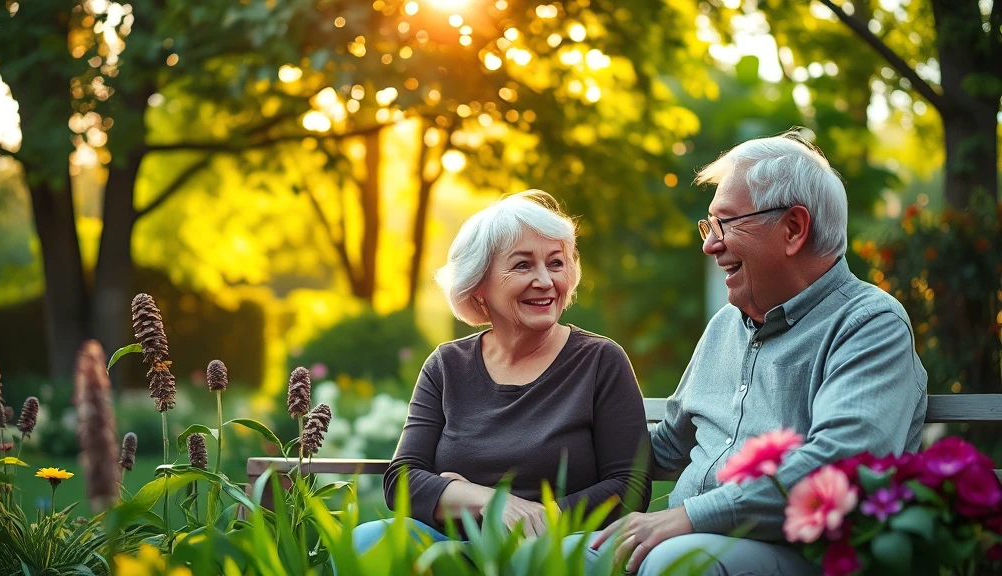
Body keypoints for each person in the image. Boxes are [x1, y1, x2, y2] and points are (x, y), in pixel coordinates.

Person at [591, 132, 928, 575]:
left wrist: (688, 518)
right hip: (687, 543)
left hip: (802, 553)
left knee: (673, 565)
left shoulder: (869, 323)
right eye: (709, 226)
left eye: (725, 224)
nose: (710, 244)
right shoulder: (724, 327)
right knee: (534, 556)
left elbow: (842, 462)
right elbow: (666, 447)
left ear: (793, 229)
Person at [352, 190, 651, 553]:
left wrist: (537, 520)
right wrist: (490, 502)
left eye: (556, 263)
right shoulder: (447, 366)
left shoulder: (600, 360)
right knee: (366, 540)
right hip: (453, 548)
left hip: (555, 547)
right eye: (523, 265)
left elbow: (630, 486)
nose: (545, 280)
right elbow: (402, 481)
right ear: (479, 285)